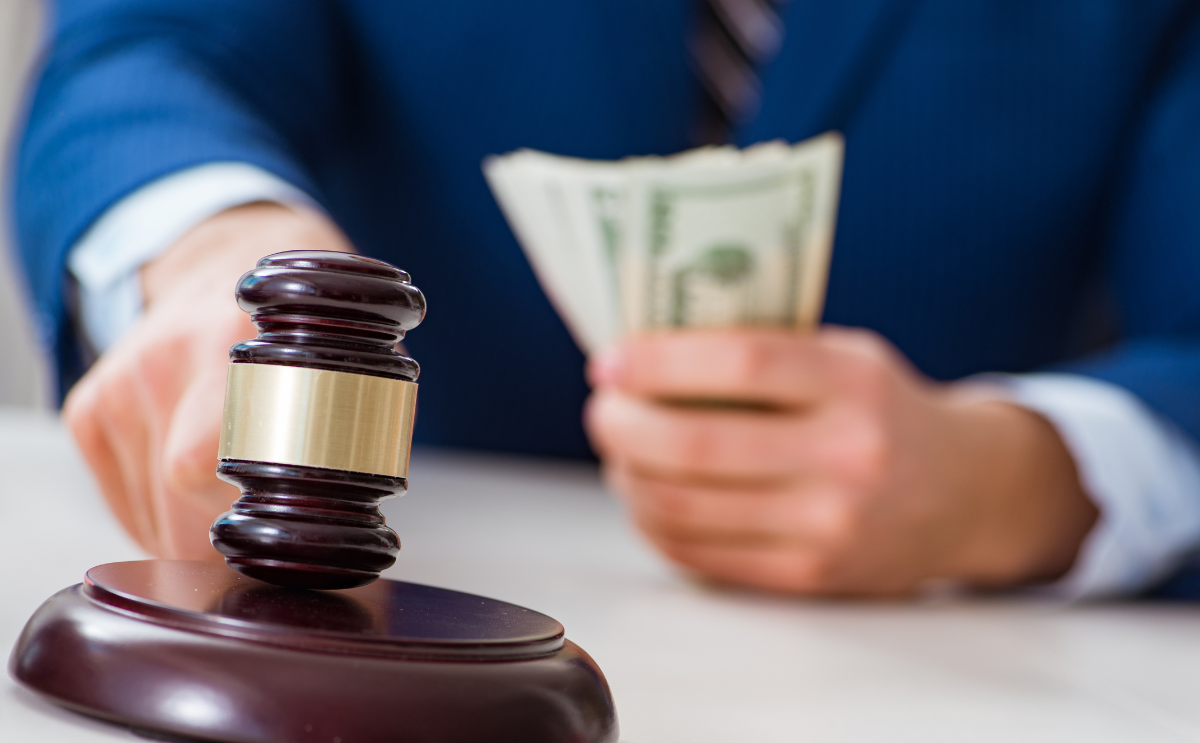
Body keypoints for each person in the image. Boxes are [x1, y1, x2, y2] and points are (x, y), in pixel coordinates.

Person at [14, 0, 1200, 597]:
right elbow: (147, 51)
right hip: (389, 606)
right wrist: (214, 247)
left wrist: (1017, 480)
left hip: (932, 680)